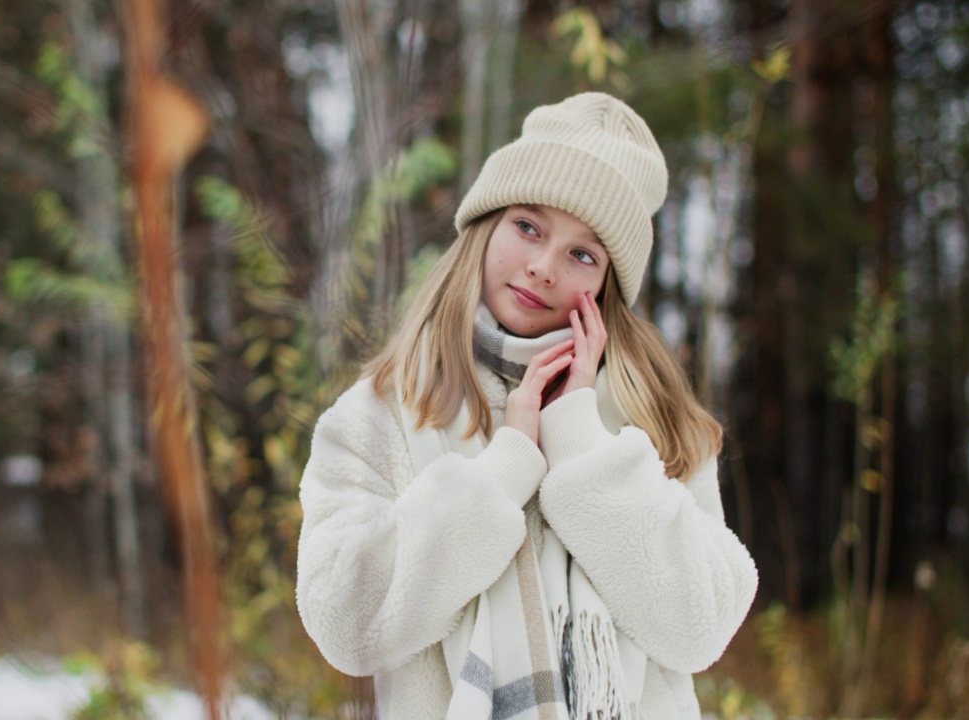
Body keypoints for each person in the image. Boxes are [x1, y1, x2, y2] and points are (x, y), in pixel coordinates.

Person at [295, 92, 758, 719]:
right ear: (486, 225)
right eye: (528, 227)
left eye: (583, 253)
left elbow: (699, 627)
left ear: (607, 286)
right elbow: (344, 624)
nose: (543, 267)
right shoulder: (381, 414)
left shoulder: (657, 420)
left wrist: (583, 447)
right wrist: (501, 473)